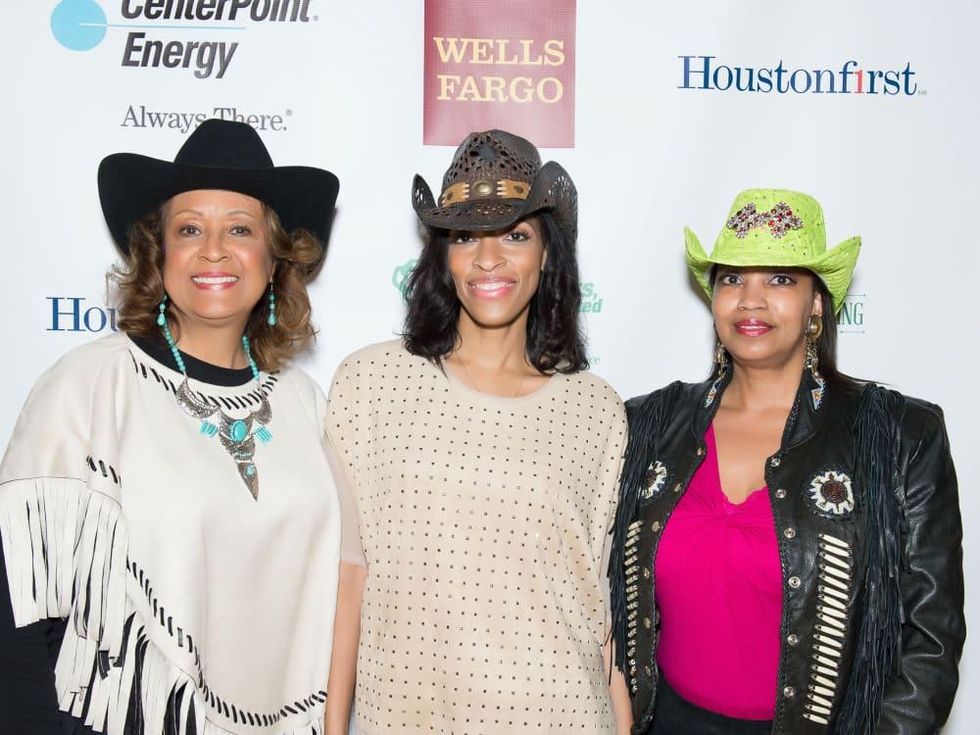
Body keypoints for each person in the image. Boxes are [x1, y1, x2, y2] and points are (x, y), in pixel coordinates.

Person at [0, 119, 342, 734]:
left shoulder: (303, 403)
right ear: (160, 256)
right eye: (189, 230)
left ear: (275, 257)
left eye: (240, 229)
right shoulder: (91, 385)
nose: (214, 250)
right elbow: (21, 622)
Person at [609, 189, 964, 734]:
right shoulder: (651, 424)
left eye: (779, 279)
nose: (751, 300)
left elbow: (930, 638)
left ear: (816, 302)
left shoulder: (897, 435)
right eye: (732, 279)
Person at [324, 130, 632, 734]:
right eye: (465, 237)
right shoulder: (371, 382)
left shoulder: (596, 408)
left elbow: (596, 604)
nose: (489, 260)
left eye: (516, 236)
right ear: (442, 255)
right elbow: (348, 578)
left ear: (547, 254)